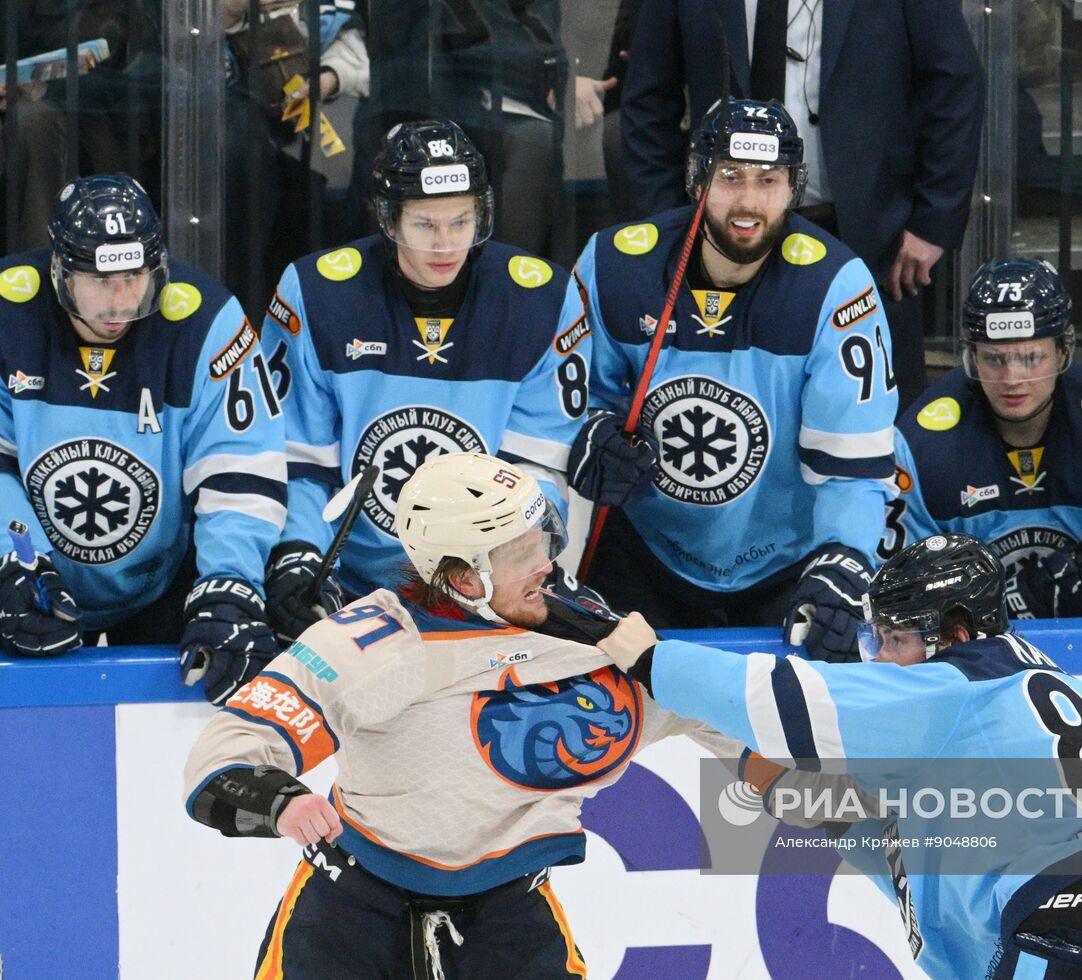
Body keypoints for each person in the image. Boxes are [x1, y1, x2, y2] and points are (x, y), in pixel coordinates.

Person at [591, 533, 1082, 978]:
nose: (883, 661)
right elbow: (849, 817)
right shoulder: (1025, 696)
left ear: (958, 631)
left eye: (896, 639)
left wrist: (649, 659)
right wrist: (713, 738)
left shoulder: (956, 685)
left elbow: (777, 698)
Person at [183, 452, 733, 978]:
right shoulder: (372, 645)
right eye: (521, 553)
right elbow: (227, 751)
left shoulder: (598, 637)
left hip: (508, 917)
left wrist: (799, 784)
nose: (546, 564)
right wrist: (281, 801)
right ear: (466, 579)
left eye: (543, 540)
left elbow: (724, 720)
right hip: (350, 915)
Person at [572, 97, 897, 661]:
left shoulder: (834, 285)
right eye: (731, 177)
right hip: (644, 560)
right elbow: (570, 401)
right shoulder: (615, 266)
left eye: (768, 180)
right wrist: (592, 432)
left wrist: (844, 556)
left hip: (784, 569)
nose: (748, 202)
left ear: (793, 189)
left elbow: (852, 463)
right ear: (698, 181)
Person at [260, 117, 589, 645]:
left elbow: (537, 470)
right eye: (425, 224)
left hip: (483, 582)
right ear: (389, 219)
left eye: (461, 221)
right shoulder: (317, 295)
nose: (445, 244)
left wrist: (515, 566)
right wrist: (299, 559)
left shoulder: (540, 301)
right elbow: (301, 460)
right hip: (349, 582)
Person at [0, 174, 285, 704]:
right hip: (33, 579)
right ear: (60, 271)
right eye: (100, 281)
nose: (121, 301)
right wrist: (14, 560)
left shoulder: (207, 319)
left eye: (134, 277)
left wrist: (229, 585)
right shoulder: (7, 310)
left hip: (167, 583)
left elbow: (241, 468)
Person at [620, 0, 984, 411]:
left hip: (866, 236)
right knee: (731, 415)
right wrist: (674, 226)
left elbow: (954, 84)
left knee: (872, 420)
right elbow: (648, 101)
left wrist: (934, 222)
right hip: (719, 241)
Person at [887, 258, 1082, 618]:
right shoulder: (920, 449)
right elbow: (898, 599)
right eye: (994, 359)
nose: (1013, 378)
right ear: (970, 359)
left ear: (1063, 351)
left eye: (1031, 357)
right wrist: (999, 612)